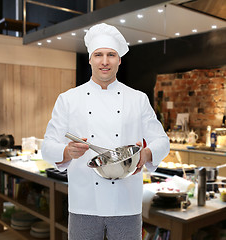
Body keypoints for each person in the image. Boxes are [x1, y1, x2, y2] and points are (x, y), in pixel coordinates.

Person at [41, 23, 170, 240]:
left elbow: (162, 141)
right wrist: (67, 151)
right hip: (84, 204)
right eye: (98, 54)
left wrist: (146, 154)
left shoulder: (137, 99)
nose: (104, 61)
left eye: (111, 55)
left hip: (126, 204)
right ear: (89, 59)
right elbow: (47, 147)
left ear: (119, 59)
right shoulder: (68, 99)